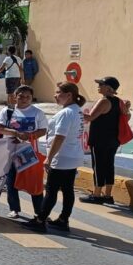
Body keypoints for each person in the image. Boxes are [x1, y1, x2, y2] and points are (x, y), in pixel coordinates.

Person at [26, 82, 87, 233]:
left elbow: (59, 137)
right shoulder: (76, 110)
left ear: (69, 95)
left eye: (59, 92)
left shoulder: (66, 113)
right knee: (67, 189)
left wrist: (49, 158)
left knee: (51, 190)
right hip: (72, 155)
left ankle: (40, 220)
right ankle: (63, 219)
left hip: (62, 156)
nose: (55, 95)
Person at [0, 85, 48, 219]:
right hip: (9, 152)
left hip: (29, 153)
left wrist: (28, 136)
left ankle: (39, 211)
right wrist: (16, 133)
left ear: (31, 98)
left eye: (27, 97)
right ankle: (14, 209)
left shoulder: (37, 113)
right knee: (11, 181)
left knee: (34, 183)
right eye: (21, 96)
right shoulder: (7, 111)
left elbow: (43, 130)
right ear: (15, 97)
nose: (24, 99)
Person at [82, 76, 130, 204]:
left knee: (98, 166)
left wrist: (75, 110)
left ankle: (97, 195)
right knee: (109, 166)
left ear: (108, 88)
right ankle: (108, 195)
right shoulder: (119, 101)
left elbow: (90, 117)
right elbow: (127, 116)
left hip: (99, 139)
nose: (99, 86)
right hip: (113, 139)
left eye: (101, 84)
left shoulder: (103, 101)